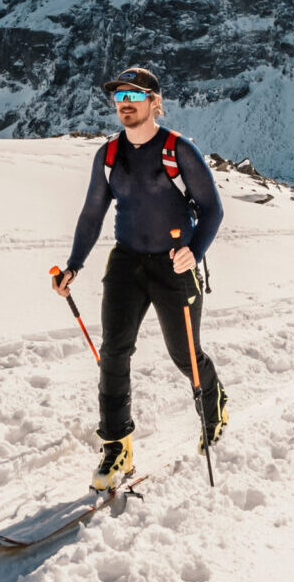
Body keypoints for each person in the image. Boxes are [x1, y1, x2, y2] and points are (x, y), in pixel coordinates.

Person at [50, 67, 228, 491]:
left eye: (134, 94)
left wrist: (194, 251)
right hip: (126, 263)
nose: (124, 102)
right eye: (118, 96)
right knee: (114, 352)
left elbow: (212, 209)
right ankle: (116, 445)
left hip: (175, 266)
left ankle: (211, 403)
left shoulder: (177, 150)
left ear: (154, 102)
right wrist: (73, 264)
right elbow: (92, 214)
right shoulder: (110, 155)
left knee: (185, 355)